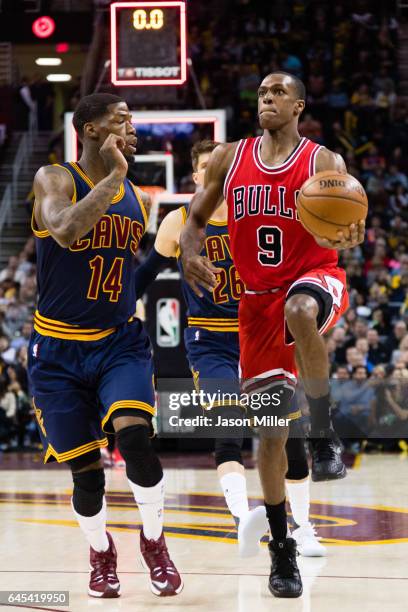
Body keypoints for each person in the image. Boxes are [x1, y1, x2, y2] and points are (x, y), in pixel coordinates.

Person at [179, 72, 365, 598]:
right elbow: (194, 217)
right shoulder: (229, 157)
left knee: (300, 310)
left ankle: (325, 431)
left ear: (299, 105)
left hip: (314, 279)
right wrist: (190, 250)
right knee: (270, 436)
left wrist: (350, 232)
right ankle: (281, 549)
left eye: (278, 93)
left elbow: (352, 226)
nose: (267, 100)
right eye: (261, 93)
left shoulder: (322, 162)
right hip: (255, 307)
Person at [134, 140, 326, 558]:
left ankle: (305, 527)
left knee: (289, 434)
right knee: (227, 428)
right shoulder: (180, 221)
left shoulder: (256, 210)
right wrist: (112, 312)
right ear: (197, 177)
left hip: (263, 331)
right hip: (211, 336)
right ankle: (243, 522)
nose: (214, 173)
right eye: (205, 167)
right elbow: (145, 274)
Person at [28, 93, 182, 599]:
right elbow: (67, 230)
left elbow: (124, 282)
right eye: (121, 121)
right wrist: (114, 180)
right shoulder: (55, 178)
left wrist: (176, 262)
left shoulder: (139, 198)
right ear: (90, 130)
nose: (133, 130)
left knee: (135, 439)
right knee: (86, 476)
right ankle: (100, 553)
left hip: (120, 342)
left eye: (133, 121)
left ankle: (155, 543)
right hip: (56, 353)